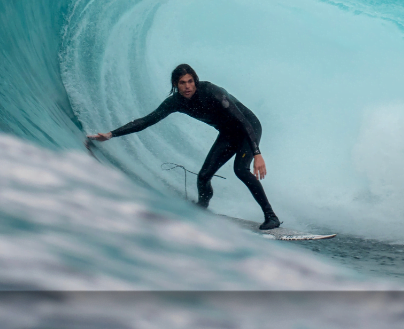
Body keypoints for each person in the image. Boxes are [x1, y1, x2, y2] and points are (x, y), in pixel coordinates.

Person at [88, 64, 281, 230]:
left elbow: (241, 120)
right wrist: (111, 134)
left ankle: (271, 217)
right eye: (182, 83)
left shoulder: (212, 92)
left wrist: (257, 153)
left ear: (195, 81)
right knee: (204, 176)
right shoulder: (176, 102)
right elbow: (147, 120)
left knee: (240, 169)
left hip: (248, 127)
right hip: (229, 133)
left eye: (190, 81)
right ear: (175, 84)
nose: (187, 86)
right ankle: (202, 208)